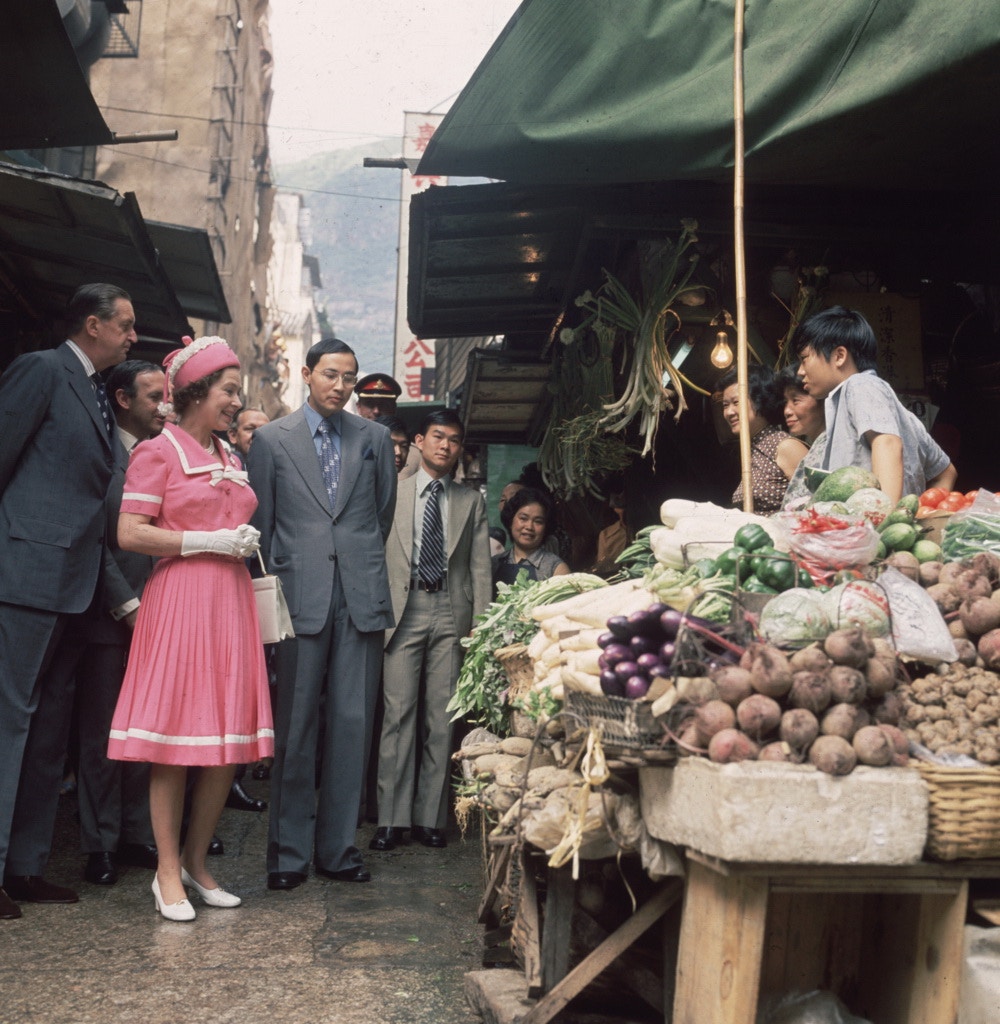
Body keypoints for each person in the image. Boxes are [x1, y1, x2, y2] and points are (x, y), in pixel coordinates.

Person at [107, 335, 273, 921]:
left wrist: (240, 541)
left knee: (223, 745)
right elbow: (129, 531)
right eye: (229, 391)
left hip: (229, 603)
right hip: (179, 601)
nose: (236, 402)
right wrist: (204, 540)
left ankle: (199, 864)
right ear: (198, 391)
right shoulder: (158, 452)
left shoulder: (231, 456)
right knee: (175, 745)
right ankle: (167, 871)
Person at [0, 283, 136, 922]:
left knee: (46, 731)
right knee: (10, 723)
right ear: (93, 323)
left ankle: (24, 867)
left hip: (75, 585)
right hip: (26, 574)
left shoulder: (92, 391)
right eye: (127, 325)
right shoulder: (42, 370)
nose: (134, 337)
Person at [248, 337, 397, 891]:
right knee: (294, 728)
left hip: (359, 597)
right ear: (307, 375)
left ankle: (338, 849)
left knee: (354, 726)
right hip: (297, 599)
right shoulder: (270, 440)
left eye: (349, 377)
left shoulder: (375, 439)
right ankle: (287, 854)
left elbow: (379, 516)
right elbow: (260, 528)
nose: (340, 385)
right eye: (331, 375)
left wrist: (351, 565)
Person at [370, 411, 492, 852]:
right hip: (402, 611)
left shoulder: (470, 501)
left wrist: (479, 629)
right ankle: (390, 819)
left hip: (450, 613)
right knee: (397, 716)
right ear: (419, 440)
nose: (446, 446)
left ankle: (430, 818)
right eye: (438, 437)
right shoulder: (392, 493)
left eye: (455, 440)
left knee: (442, 720)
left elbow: (481, 570)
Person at [71, 360, 165, 887]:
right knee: (103, 733)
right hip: (111, 616)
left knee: (146, 730)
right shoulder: (101, 453)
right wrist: (126, 605)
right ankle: (99, 843)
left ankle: (136, 834)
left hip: (162, 614)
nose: (164, 406)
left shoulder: (164, 452)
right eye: (154, 397)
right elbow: (94, 538)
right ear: (124, 400)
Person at [792, 306, 957, 502]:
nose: (800, 371)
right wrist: (912, 515)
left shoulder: (860, 384)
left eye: (804, 359)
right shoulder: (904, 416)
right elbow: (946, 472)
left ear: (839, 356)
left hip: (872, 530)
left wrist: (886, 520)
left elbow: (887, 442)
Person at [718, 364, 808, 514]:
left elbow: (814, 503)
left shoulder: (784, 446)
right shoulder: (754, 449)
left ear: (759, 399)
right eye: (725, 405)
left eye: (736, 402)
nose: (729, 412)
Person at [493, 487, 570, 585]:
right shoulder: (494, 564)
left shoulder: (557, 569)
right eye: (523, 518)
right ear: (510, 520)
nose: (529, 527)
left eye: (538, 521)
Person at [778, 365, 828, 509]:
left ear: (821, 401)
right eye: (785, 402)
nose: (787, 411)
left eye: (796, 400)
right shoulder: (816, 445)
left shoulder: (829, 445)